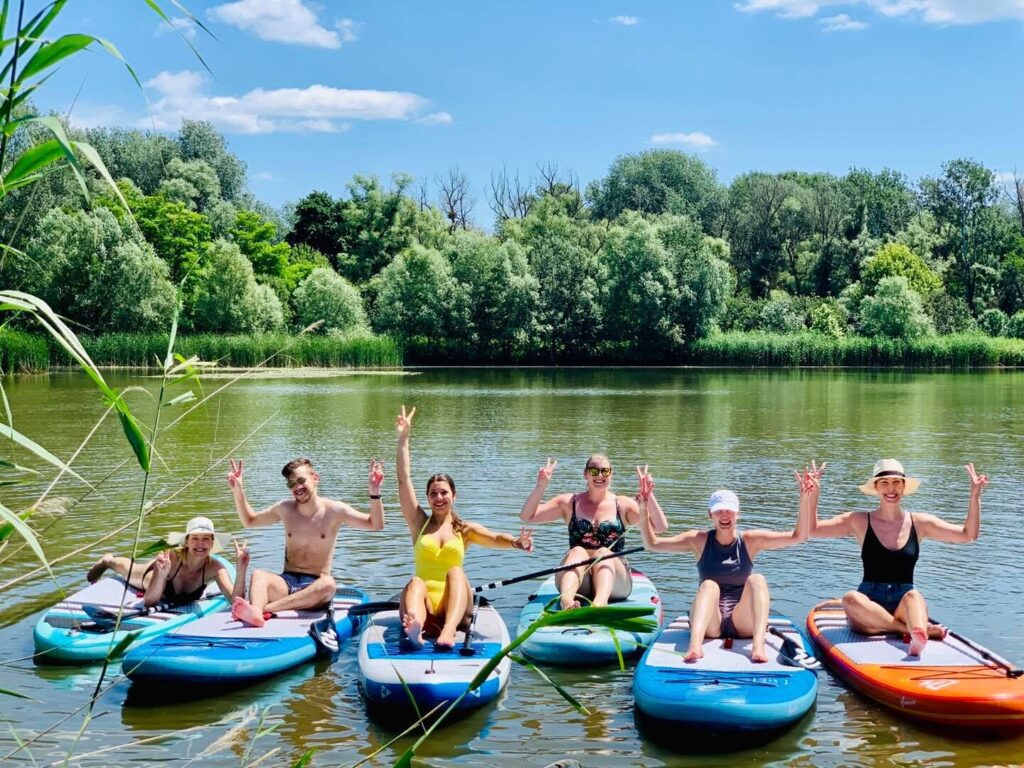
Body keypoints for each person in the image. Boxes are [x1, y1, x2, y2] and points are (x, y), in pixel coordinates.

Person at [637, 465, 818, 663]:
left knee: (757, 579)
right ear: (710, 515)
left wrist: (805, 499)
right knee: (709, 585)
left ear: (737, 514)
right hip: (710, 624)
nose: (724, 516)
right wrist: (644, 507)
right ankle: (695, 646)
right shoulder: (698, 540)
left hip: (742, 622)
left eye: (729, 511)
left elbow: (799, 537)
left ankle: (758, 646)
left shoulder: (750, 540)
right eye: (719, 512)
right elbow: (652, 544)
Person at [810, 459, 986, 656]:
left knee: (915, 596)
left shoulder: (920, 522)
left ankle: (915, 635)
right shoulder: (858, 520)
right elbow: (812, 529)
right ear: (876, 487)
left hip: (904, 601)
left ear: (903, 487)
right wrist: (812, 495)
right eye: (884, 482)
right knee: (850, 599)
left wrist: (974, 495)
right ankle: (912, 630)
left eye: (896, 482)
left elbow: (968, 535)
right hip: (869, 606)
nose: (891, 488)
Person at [396, 405, 533, 649]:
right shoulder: (419, 523)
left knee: (456, 572)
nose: (439, 498)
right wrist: (403, 439)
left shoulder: (464, 529)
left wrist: (515, 542)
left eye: (444, 493)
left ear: (454, 496)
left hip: (455, 608)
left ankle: (448, 631)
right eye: (433, 494)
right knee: (415, 581)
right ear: (427, 498)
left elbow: (494, 537)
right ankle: (416, 630)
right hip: (423, 604)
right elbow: (404, 479)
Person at [227, 456, 385, 626]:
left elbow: (375, 524)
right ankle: (256, 613)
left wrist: (374, 493)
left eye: (301, 480)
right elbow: (249, 521)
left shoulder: (335, 510)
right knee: (259, 575)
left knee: (329, 584)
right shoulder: (285, 509)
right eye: (291, 484)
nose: (297, 487)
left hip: (315, 586)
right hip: (286, 582)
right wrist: (238, 489)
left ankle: (264, 609)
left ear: (315, 478)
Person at [520, 456, 653, 611]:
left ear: (611, 474)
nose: (600, 475)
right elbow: (526, 517)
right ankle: (567, 601)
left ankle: (599, 604)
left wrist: (649, 497)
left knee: (603, 553)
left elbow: (659, 528)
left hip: (615, 582)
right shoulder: (569, 502)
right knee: (577, 551)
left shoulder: (623, 504)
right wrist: (541, 486)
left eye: (605, 471)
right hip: (578, 580)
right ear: (586, 474)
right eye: (594, 471)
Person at [86, 516, 249, 607]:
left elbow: (236, 601)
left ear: (212, 543)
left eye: (206, 539)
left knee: (130, 569)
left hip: (172, 587)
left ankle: (109, 561)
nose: (200, 544)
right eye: (195, 539)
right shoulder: (171, 557)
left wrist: (241, 570)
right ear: (186, 542)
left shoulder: (215, 568)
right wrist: (161, 573)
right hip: (155, 581)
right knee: (129, 570)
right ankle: (108, 561)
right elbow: (149, 602)